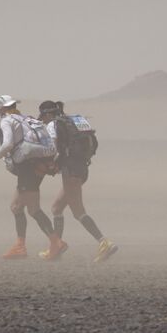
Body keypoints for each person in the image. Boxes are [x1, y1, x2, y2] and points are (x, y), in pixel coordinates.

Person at [0, 95, 67, 260]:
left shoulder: (7, 121)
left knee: (33, 209)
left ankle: (55, 242)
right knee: (16, 206)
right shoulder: (26, 119)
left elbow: (8, 143)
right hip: (37, 166)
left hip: (28, 168)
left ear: (1, 109)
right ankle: (20, 246)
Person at [38, 100, 118, 262]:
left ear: (47, 114)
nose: (42, 120)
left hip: (71, 171)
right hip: (82, 169)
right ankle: (56, 247)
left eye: (42, 117)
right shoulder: (71, 121)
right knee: (56, 208)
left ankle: (105, 243)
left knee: (78, 211)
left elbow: (52, 147)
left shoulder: (53, 125)